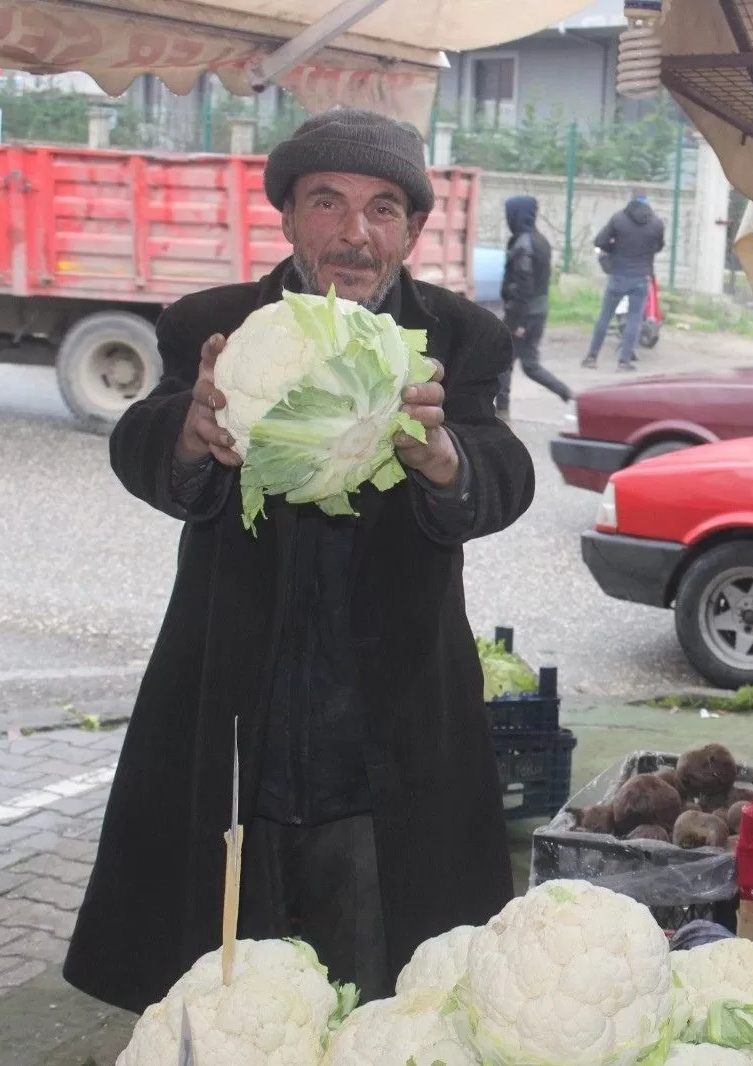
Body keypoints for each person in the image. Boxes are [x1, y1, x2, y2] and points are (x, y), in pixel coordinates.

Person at [62, 109, 535, 1013]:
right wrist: (190, 434)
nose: (356, 234)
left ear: (413, 231)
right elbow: (141, 441)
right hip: (240, 714)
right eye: (328, 202)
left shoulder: (457, 339)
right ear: (286, 216)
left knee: (382, 988)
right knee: (226, 985)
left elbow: (505, 470)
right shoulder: (215, 327)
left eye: (384, 209)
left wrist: (449, 463)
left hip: (387, 730)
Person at [496, 195, 572, 416]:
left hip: (524, 315)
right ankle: (566, 393)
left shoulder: (524, 245)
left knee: (508, 362)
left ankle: (502, 410)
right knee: (521, 363)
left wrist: (515, 322)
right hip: (536, 312)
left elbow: (522, 287)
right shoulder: (540, 240)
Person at [583, 189, 665, 372]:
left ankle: (591, 357)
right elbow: (658, 246)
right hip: (641, 277)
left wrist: (614, 247)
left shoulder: (618, 219)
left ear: (631, 200)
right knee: (635, 319)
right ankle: (624, 362)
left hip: (618, 275)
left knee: (605, 316)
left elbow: (600, 241)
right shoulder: (656, 224)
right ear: (647, 201)